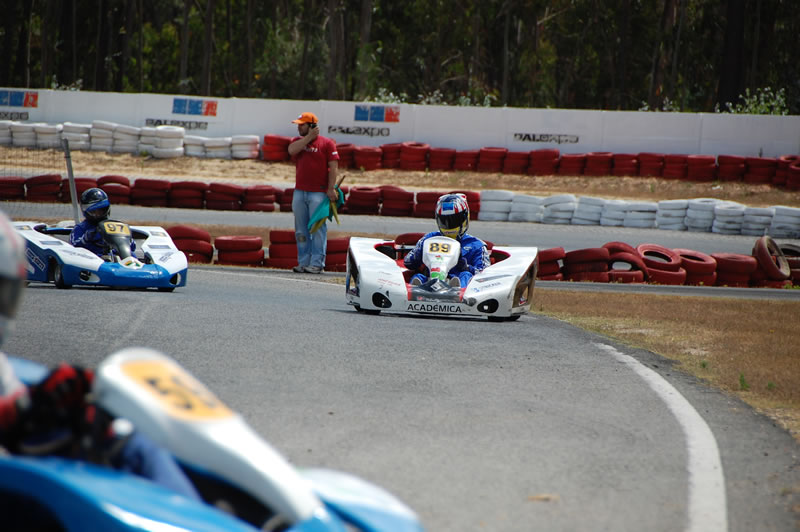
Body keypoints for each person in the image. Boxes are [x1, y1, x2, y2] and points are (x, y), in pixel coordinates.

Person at [0, 209, 199, 502]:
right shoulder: (81, 231)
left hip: (119, 258)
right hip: (15, 481)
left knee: (125, 434)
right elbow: (77, 246)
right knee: (131, 448)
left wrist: (44, 407)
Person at [287, 112, 339, 274]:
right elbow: (291, 151)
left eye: (301, 124)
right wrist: (308, 138)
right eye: (298, 124)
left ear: (311, 126)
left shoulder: (327, 143)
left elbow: (334, 168)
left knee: (317, 229)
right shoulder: (298, 142)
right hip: (300, 192)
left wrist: (331, 189)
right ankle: (303, 262)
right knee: (301, 230)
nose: (298, 127)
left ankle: (317, 263)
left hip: (319, 194)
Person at [404, 193, 491, 288]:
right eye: (444, 221)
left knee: (466, 275)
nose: (449, 225)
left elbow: (485, 274)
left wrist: (467, 268)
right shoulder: (429, 239)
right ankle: (415, 292)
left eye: (454, 220)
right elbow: (408, 262)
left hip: (460, 287)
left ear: (465, 218)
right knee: (418, 276)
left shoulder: (476, 245)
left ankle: (457, 290)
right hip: (430, 282)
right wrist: (417, 255)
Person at [69, 187, 135, 257]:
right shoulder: (80, 228)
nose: (98, 214)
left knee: (132, 255)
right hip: (93, 259)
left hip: (114, 257)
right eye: (94, 212)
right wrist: (86, 238)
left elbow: (133, 247)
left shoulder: (115, 226)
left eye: (101, 210)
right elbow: (74, 246)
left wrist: (127, 241)